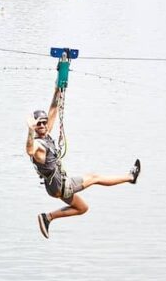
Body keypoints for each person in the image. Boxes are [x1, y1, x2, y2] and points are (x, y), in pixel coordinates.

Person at [26, 86, 141, 239]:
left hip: (55, 185)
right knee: (95, 178)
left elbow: (53, 108)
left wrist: (59, 85)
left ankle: (47, 217)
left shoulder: (46, 133)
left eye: (44, 122)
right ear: (34, 127)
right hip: (59, 185)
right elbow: (29, 150)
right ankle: (130, 177)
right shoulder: (39, 145)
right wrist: (29, 130)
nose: (42, 125)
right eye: (38, 124)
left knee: (82, 208)